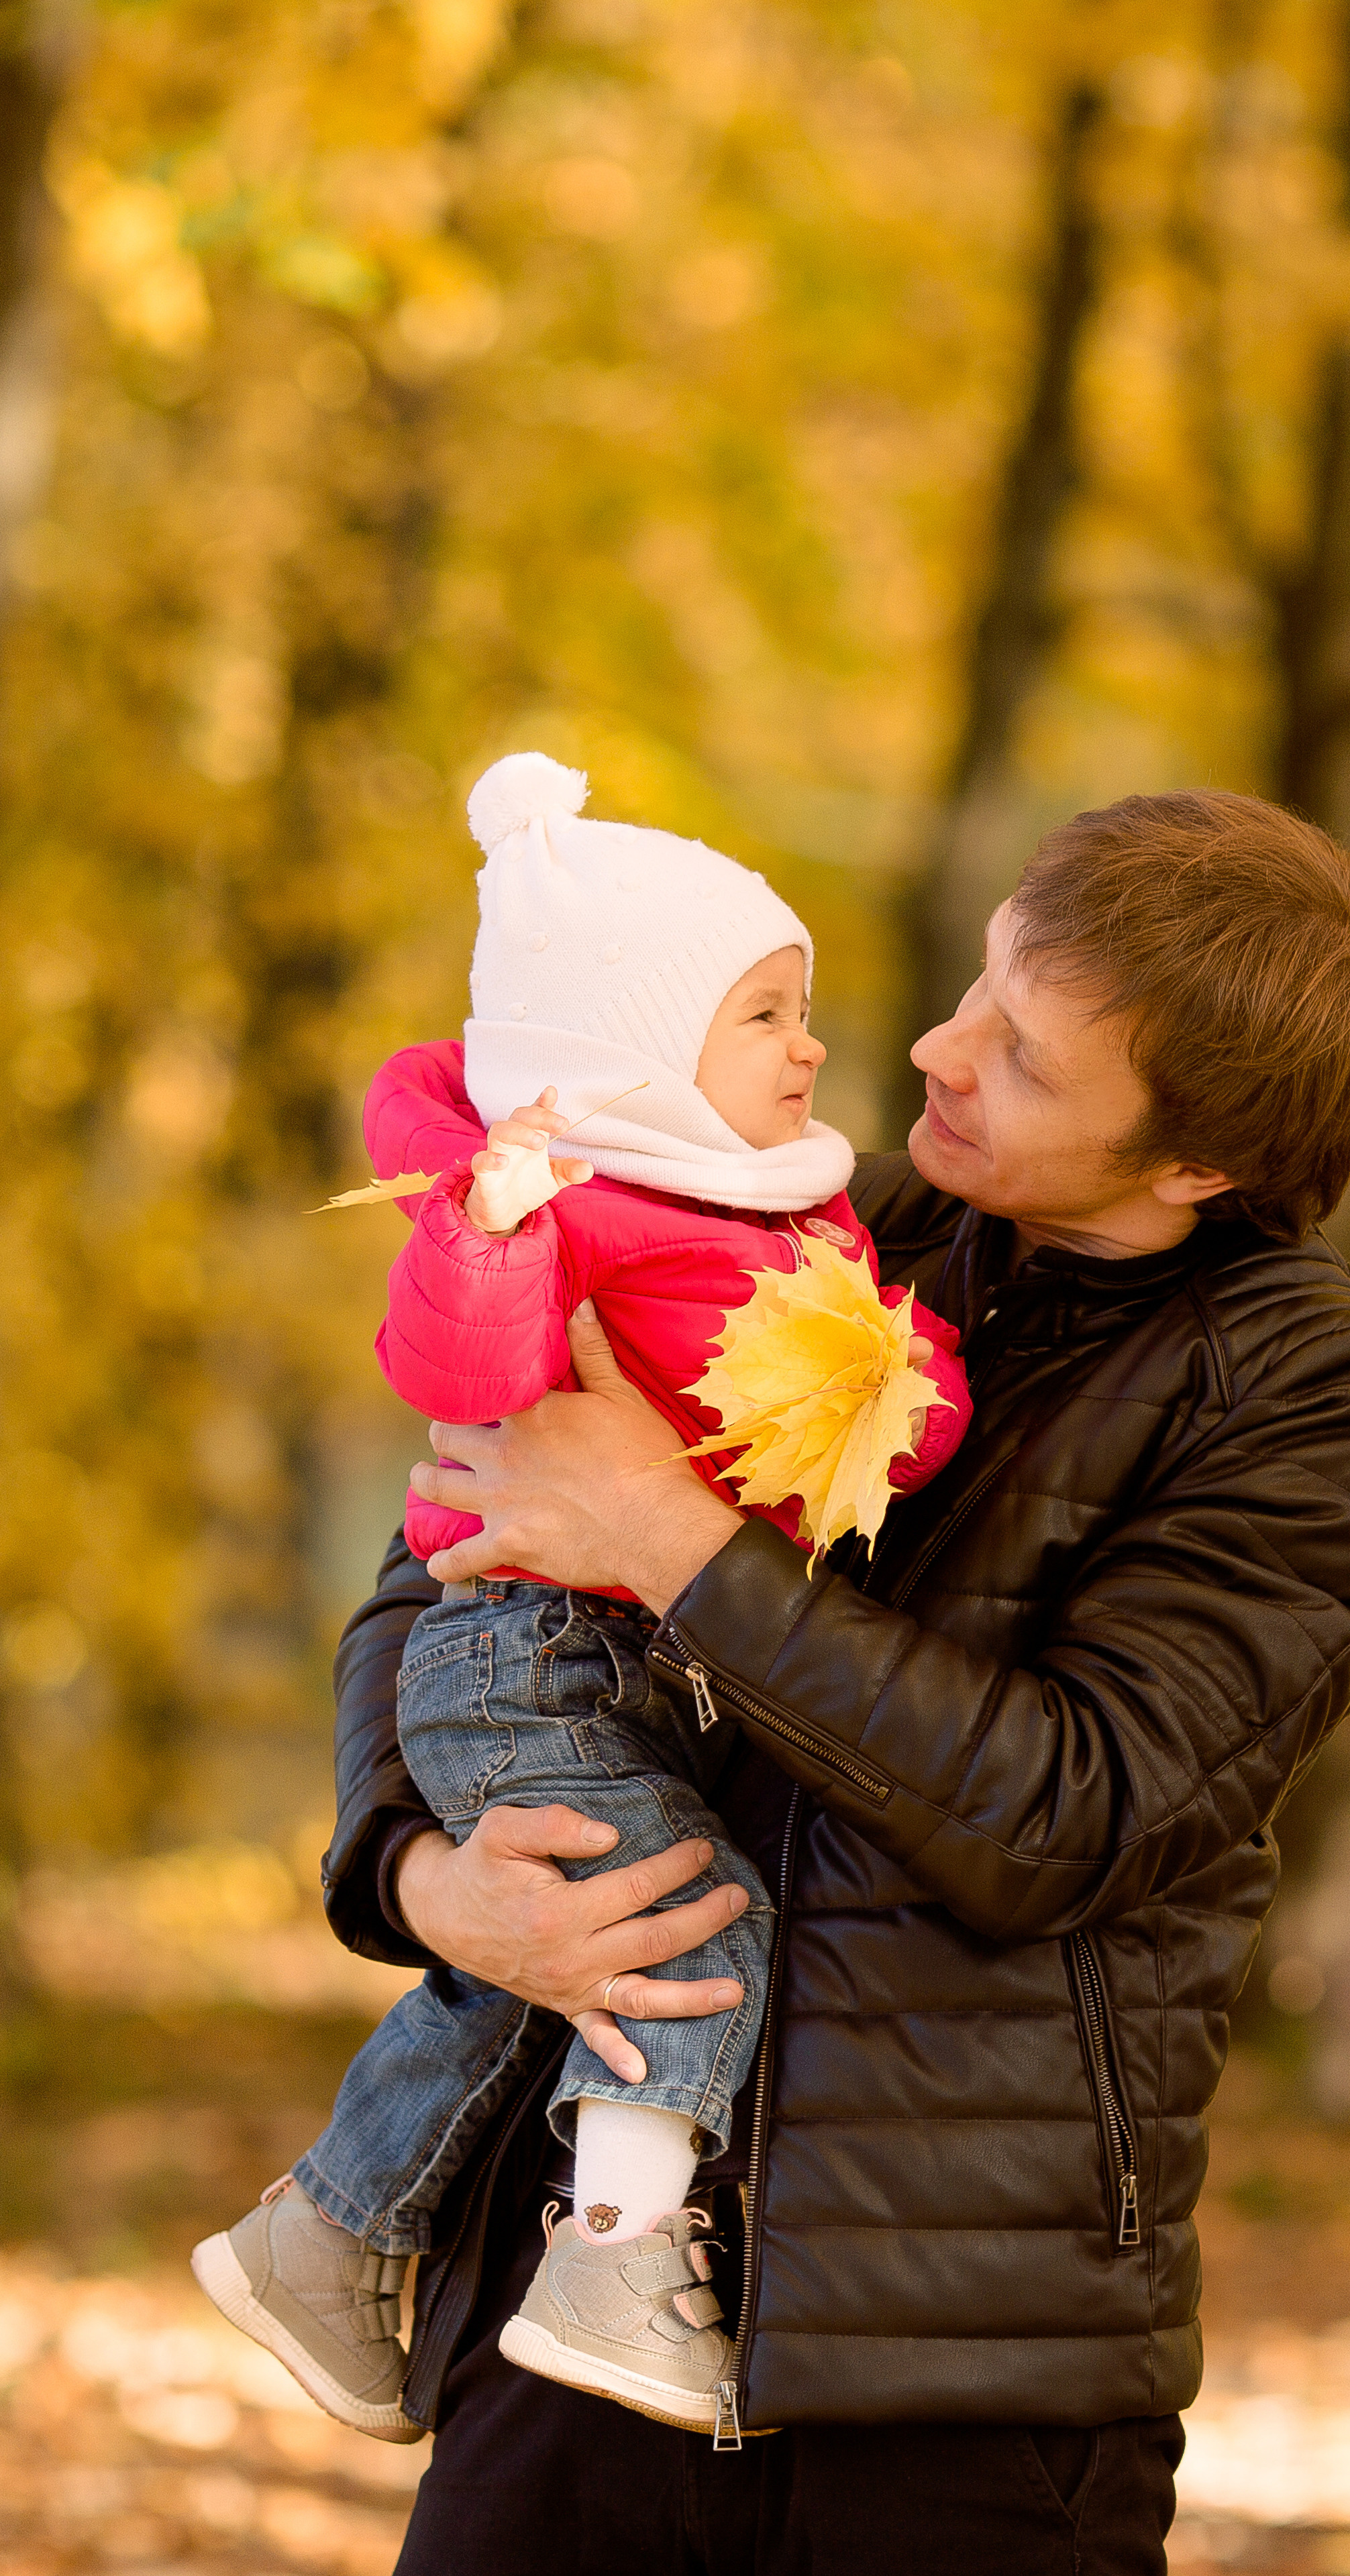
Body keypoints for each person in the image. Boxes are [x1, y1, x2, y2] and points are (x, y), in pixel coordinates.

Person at [323, 790, 1350, 2576]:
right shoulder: (790, 1210)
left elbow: (1068, 1815)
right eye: (981, 983)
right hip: (570, 2290)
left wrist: (676, 1541)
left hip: (960, 2384)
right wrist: (419, 1873)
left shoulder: (1325, 1409)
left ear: (1195, 1163)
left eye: (1025, 1053)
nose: (938, 1048)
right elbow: (451, 1550)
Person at [191, 755, 970, 2444]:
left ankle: (323, 2234)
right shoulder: (562, 1208)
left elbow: (876, 1412)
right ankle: (616, 2252)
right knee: (685, 1931)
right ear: (633, 1056)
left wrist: (895, 1383)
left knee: (532, 1964)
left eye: (799, 1011)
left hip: (623, 1658)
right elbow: (459, 1373)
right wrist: (488, 1235)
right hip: (525, 1653)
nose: (810, 1048)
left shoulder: (784, 1201)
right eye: (763, 1017)